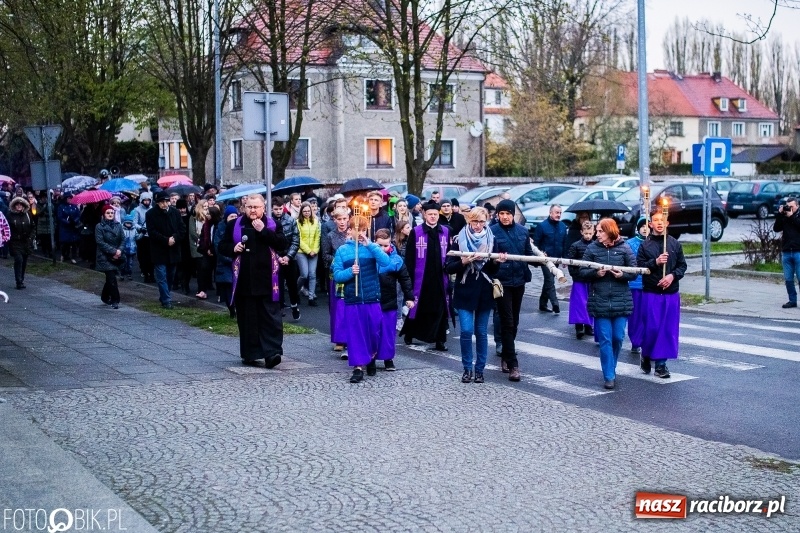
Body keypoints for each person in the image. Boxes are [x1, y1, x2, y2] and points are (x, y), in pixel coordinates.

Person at [219, 194, 287, 367]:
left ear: (263, 208)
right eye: (249, 207)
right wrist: (233, 248)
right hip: (244, 280)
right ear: (244, 208)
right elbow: (222, 246)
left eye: (256, 207)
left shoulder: (273, 224)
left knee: (270, 318)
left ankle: (272, 353)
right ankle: (251, 353)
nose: (253, 210)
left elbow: (281, 244)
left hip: (267, 281)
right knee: (248, 319)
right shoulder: (234, 225)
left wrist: (263, 231)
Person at [445, 207, 503, 384]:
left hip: (484, 290)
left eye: (481, 222)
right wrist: (463, 262)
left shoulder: (492, 239)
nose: (478, 225)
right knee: (467, 330)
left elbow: (493, 270)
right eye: (475, 221)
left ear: (486, 221)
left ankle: (480, 370)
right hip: (464, 289)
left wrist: (496, 261)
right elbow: (448, 266)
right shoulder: (458, 240)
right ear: (469, 221)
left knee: (481, 332)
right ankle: (467, 368)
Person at [332, 216, 393, 383]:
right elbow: (337, 275)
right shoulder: (342, 251)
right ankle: (358, 367)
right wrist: (350, 272)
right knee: (356, 334)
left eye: (363, 229)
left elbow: (386, 261)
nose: (360, 233)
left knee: (374, 331)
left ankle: (372, 355)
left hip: (372, 298)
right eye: (356, 229)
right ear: (350, 230)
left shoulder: (371, 248)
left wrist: (371, 245)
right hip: (354, 299)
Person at [579, 218, 637, 390]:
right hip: (600, 300)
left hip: (621, 300)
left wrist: (623, 275)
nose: (597, 235)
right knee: (605, 339)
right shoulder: (592, 248)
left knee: (618, 337)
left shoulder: (624, 248)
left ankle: (612, 365)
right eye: (597, 231)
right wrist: (596, 273)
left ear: (609, 231)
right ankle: (609, 375)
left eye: (600, 231)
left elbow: (633, 272)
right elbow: (582, 271)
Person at [636, 211, 687, 379]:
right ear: (650, 224)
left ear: (667, 223)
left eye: (662, 220)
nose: (659, 223)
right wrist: (656, 262)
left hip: (670, 293)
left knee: (666, 329)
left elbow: (682, 266)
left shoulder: (674, 244)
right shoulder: (645, 245)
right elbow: (640, 267)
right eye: (655, 220)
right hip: (651, 293)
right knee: (652, 327)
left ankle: (661, 365)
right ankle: (647, 353)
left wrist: (672, 276)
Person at [490, 199, 533, 381]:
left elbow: (528, 255)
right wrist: (495, 261)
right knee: (507, 321)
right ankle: (513, 364)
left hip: (519, 281)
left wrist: (542, 259)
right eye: (502, 214)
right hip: (501, 282)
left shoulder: (523, 231)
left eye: (508, 213)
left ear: (513, 214)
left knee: (514, 321)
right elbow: (488, 258)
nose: (505, 217)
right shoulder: (491, 232)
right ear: (497, 215)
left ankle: (507, 354)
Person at [401, 200, 451, 351]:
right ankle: (410, 333)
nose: (433, 217)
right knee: (418, 307)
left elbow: (449, 253)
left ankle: (440, 340)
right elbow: (409, 257)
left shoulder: (446, 231)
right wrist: (409, 280)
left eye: (435, 214)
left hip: (440, 277)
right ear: (424, 215)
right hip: (421, 279)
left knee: (440, 307)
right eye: (430, 214)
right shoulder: (416, 232)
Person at [375, 229, 414, 372]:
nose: (382, 249)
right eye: (379, 245)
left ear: (390, 243)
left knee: (387, 332)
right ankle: (370, 357)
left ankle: (388, 359)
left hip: (389, 300)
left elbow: (405, 279)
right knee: (372, 331)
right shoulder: (369, 257)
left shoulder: (396, 260)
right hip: (371, 300)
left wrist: (409, 297)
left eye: (385, 245)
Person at [146, 191, 185, 309]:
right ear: (157, 203)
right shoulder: (151, 214)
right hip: (159, 249)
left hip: (173, 249)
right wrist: (165, 240)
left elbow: (182, 229)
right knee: (161, 275)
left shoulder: (175, 213)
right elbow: (152, 232)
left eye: (166, 201)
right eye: (162, 202)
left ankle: (164, 295)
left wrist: (174, 238)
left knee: (170, 275)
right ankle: (167, 300)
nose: (165, 204)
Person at [322, 207, 350, 355]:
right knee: (338, 307)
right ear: (334, 220)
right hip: (337, 275)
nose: (342, 222)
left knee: (351, 306)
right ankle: (339, 339)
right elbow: (325, 256)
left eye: (345, 219)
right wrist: (339, 261)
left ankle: (351, 336)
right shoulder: (330, 236)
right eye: (339, 219)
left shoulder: (352, 234)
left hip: (352, 274)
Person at [533, 203, 568, 314]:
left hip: (557, 258)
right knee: (549, 280)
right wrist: (539, 254)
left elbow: (564, 243)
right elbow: (536, 243)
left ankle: (542, 304)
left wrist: (565, 259)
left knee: (549, 281)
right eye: (557, 212)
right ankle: (555, 304)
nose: (559, 215)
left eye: (560, 213)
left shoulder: (562, 226)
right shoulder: (542, 226)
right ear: (550, 213)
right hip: (545, 259)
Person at [271, 197, 301, 320]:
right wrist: (277, 257)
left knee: (292, 283)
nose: (278, 211)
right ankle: (280, 306)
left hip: (289, 256)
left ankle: (294, 305)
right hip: (275, 256)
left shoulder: (290, 220)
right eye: (275, 209)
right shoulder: (269, 221)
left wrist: (288, 256)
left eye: (280, 209)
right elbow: (269, 242)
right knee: (277, 283)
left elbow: (296, 240)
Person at [567, 221, 595, 340]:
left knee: (591, 302)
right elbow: (571, 262)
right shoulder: (576, 246)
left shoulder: (595, 245)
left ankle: (589, 325)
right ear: (581, 232)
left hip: (591, 278)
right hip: (579, 279)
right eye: (586, 233)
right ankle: (579, 326)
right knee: (579, 303)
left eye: (590, 233)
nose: (588, 235)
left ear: (593, 233)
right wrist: (575, 275)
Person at [626, 217, 649, 353]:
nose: (645, 229)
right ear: (638, 228)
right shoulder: (629, 244)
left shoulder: (657, 243)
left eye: (648, 226)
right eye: (643, 226)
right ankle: (635, 341)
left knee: (647, 315)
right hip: (635, 285)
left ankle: (647, 341)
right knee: (635, 315)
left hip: (650, 285)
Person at [95, 204, 124, 309]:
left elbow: (123, 239)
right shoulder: (99, 226)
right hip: (104, 256)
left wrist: (119, 250)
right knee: (111, 277)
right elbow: (100, 242)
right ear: (104, 214)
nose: (110, 214)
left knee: (110, 278)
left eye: (112, 213)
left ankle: (105, 296)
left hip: (117, 255)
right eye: (108, 213)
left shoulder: (118, 225)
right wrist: (114, 251)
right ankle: (115, 299)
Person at [774, 197, 800, 308]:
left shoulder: (798, 216)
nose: (789, 208)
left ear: (797, 206)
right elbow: (776, 228)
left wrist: (792, 216)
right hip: (786, 251)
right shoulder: (784, 216)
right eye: (787, 206)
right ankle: (792, 300)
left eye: (791, 206)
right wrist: (780, 214)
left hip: (798, 251)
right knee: (788, 279)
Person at [215, 205, 238, 318]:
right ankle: (231, 309)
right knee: (228, 287)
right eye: (231, 216)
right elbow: (218, 246)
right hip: (225, 263)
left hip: (237, 263)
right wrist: (230, 259)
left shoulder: (239, 227)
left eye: (235, 216)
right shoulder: (220, 228)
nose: (233, 219)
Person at [296, 201, 321, 307]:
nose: (306, 213)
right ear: (301, 212)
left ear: (311, 211)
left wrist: (314, 250)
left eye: (308, 211)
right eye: (304, 211)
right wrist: (308, 250)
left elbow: (317, 236)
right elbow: (298, 238)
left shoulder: (315, 221)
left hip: (314, 251)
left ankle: (311, 297)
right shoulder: (297, 222)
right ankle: (295, 291)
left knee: (312, 274)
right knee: (304, 274)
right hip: (301, 252)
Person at [7, 197, 34, 289]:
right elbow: (7, 228)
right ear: (14, 206)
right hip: (15, 242)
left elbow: (32, 227)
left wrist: (31, 237)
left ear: (23, 206)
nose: (19, 206)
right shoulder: (10, 215)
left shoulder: (28, 215)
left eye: (20, 204)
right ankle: (18, 281)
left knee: (24, 261)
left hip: (26, 242)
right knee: (19, 260)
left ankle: (21, 279)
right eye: (17, 204)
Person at [133, 192, 154, 282]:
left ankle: (151, 273)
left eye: (148, 200)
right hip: (142, 235)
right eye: (144, 200)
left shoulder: (153, 209)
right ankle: (145, 272)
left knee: (151, 256)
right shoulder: (137, 210)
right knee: (142, 255)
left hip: (151, 235)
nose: (146, 202)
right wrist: (140, 228)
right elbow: (134, 222)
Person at [57, 194, 82, 264]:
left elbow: (78, 214)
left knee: (74, 243)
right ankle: (63, 255)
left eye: (71, 198)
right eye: (68, 198)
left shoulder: (74, 207)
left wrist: (75, 221)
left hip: (73, 227)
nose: (70, 200)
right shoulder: (61, 207)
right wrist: (67, 222)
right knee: (65, 243)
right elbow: (60, 217)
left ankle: (73, 257)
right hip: (65, 227)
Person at [120, 214, 141, 281]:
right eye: (127, 223)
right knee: (124, 262)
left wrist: (142, 233)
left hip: (132, 249)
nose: (128, 224)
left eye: (130, 223)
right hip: (124, 249)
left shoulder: (134, 230)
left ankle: (129, 274)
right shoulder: (122, 230)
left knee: (130, 263)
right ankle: (122, 274)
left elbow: (137, 237)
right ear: (124, 223)